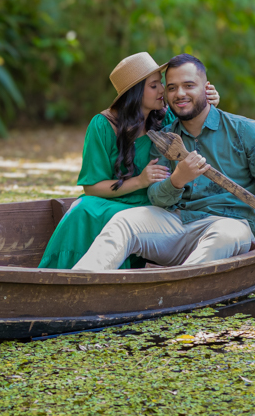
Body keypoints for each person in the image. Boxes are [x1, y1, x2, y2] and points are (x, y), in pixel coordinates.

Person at [70, 53, 255, 271]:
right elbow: (155, 196)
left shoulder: (245, 130)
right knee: (124, 221)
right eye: (171, 87)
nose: (180, 93)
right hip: (177, 222)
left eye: (189, 85)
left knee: (226, 235)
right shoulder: (165, 138)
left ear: (206, 88)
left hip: (229, 223)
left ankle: (177, 289)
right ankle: (80, 283)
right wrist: (177, 181)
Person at [38, 52, 219, 269]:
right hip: (114, 201)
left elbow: (197, 125)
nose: (162, 90)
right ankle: (63, 276)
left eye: (160, 83)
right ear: (134, 92)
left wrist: (211, 104)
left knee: (128, 219)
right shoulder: (103, 126)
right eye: (154, 86)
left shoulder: (166, 117)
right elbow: (92, 187)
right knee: (82, 210)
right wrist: (140, 181)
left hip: (157, 203)